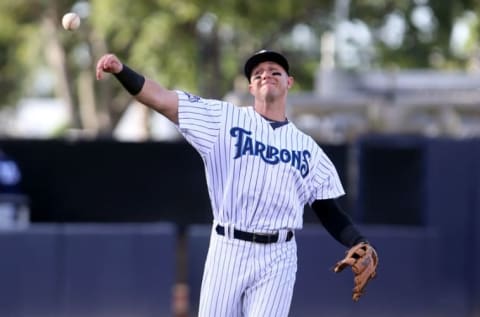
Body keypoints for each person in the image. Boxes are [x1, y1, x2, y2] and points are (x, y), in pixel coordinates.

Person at [96, 49, 377, 316]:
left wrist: (359, 241)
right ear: (251, 88)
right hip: (228, 248)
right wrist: (122, 71)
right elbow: (161, 99)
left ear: (289, 82)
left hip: (278, 256)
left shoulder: (309, 149)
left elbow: (328, 210)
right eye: (258, 74)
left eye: (275, 71)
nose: (266, 74)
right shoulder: (223, 120)